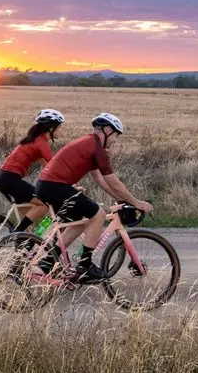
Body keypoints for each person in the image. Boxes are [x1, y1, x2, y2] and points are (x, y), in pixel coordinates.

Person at [34, 112, 153, 284]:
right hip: (55, 186)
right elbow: (114, 181)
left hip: (48, 186)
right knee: (98, 215)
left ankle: (46, 262)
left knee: (81, 221)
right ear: (107, 130)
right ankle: (85, 266)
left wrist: (122, 199)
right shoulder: (96, 148)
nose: (114, 141)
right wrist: (136, 203)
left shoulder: (89, 143)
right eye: (115, 136)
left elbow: (101, 180)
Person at [0, 109, 65, 232]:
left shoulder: (35, 140)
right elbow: (54, 166)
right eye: (59, 127)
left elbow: (47, 168)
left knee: (32, 212)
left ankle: (26, 240)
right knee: (45, 204)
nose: (61, 131)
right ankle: (18, 232)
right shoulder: (41, 142)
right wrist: (69, 184)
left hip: (4, 178)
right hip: (10, 179)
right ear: (51, 128)